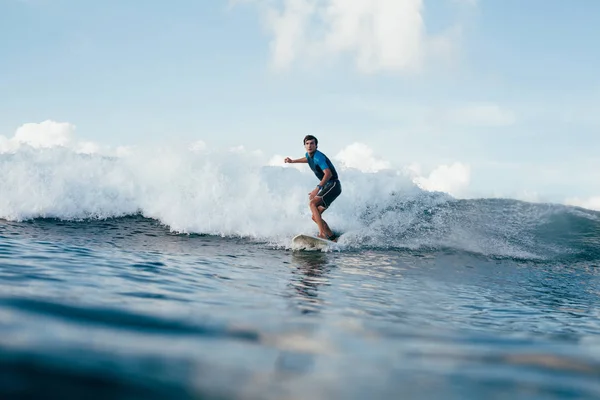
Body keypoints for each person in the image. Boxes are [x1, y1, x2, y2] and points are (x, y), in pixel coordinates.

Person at [285, 135, 342, 241]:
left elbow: (328, 174)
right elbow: (307, 159)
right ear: (304, 146)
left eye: (312, 143)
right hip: (330, 187)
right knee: (315, 217)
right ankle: (333, 238)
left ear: (316, 146)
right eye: (307, 143)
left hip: (333, 185)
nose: (309, 145)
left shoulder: (318, 156)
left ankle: (322, 234)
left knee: (312, 203)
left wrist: (317, 189)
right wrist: (292, 161)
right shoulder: (309, 155)